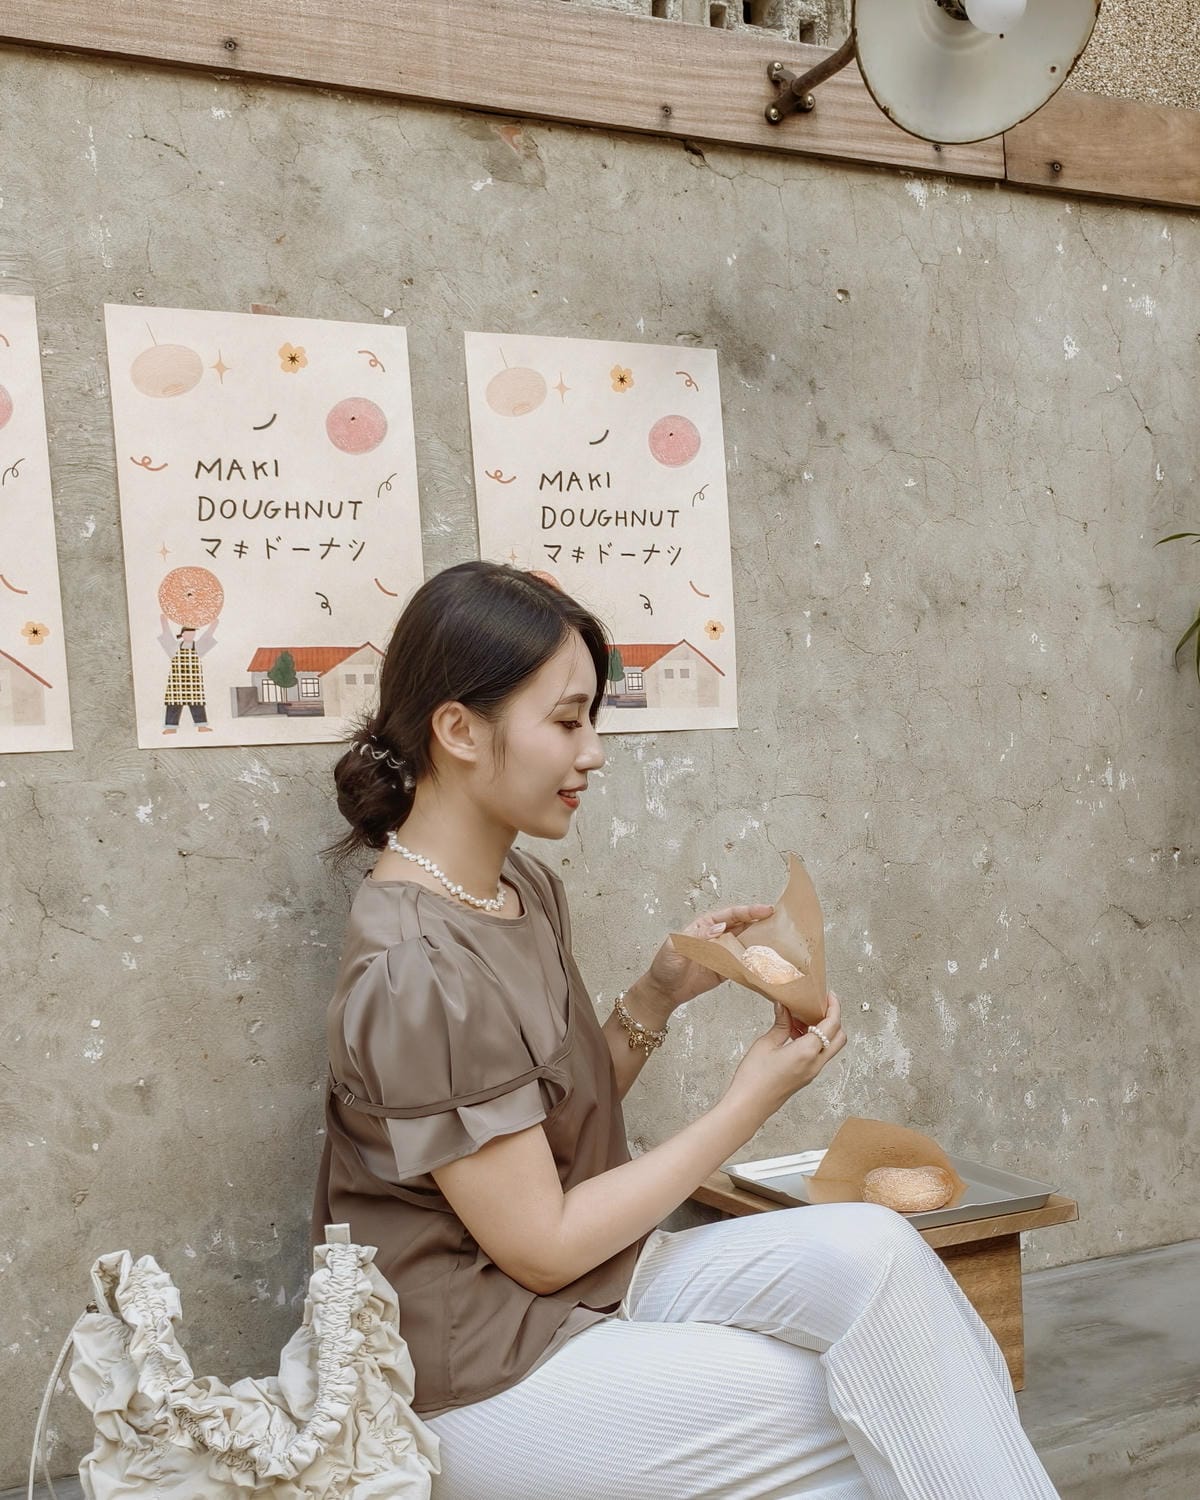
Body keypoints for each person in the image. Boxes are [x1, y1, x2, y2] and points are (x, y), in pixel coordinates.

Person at [314, 561, 1059, 1500]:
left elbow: (544, 1128)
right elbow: (538, 1238)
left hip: (582, 1290)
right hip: (479, 1371)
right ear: (458, 729)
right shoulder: (416, 964)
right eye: (567, 720)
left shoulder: (520, 891)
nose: (593, 753)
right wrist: (749, 1100)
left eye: (594, 720)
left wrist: (658, 994)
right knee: (875, 1402)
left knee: (879, 1259)